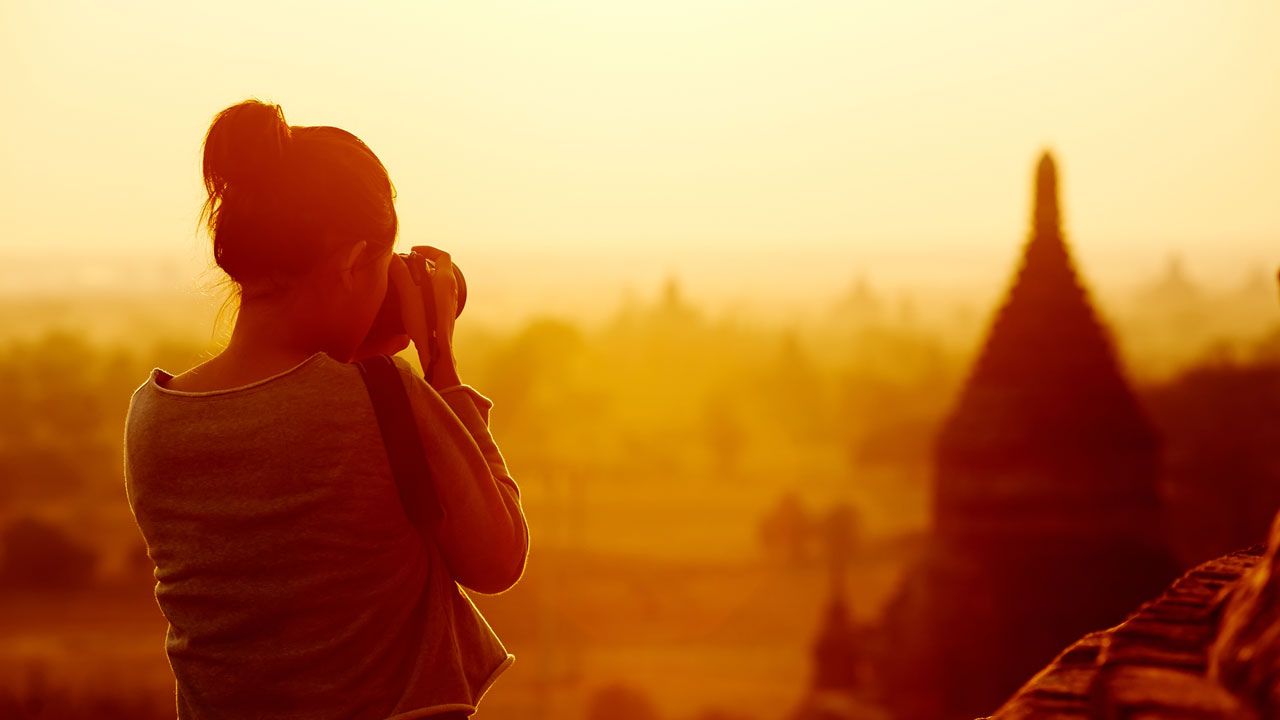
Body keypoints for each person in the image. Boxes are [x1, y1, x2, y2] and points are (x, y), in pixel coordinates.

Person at [122, 98, 529, 720]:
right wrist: (440, 363)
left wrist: (345, 347)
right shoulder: (380, 396)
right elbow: (499, 557)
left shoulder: (153, 419)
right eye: (378, 269)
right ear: (347, 263)